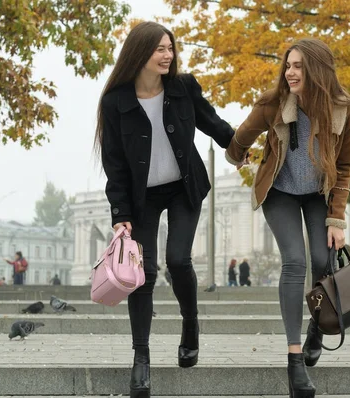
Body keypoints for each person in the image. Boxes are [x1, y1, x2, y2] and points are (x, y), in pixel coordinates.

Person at [94, 21, 234, 398]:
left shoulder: (182, 88)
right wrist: (119, 212)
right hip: (142, 198)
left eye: (170, 48)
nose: (168, 54)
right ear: (139, 53)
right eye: (159, 48)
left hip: (184, 188)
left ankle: (190, 324)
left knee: (178, 260)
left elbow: (212, 123)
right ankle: (141, 358)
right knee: (144, 272)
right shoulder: (116, 102)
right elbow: (114, 164)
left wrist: (238, 146)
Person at [226, 38, 350, 398]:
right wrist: (236, 154)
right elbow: (241, 136)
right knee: (295, 262)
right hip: (281, 193)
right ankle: (294, 359)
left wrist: (337, 219)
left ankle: (317, 328)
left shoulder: (346, 111)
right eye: (288, 65)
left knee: (322, 262)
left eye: (298, 65)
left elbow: (345, 168)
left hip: (318, 195)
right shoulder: (274, 103)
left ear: (317, 70)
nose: (290, 72)